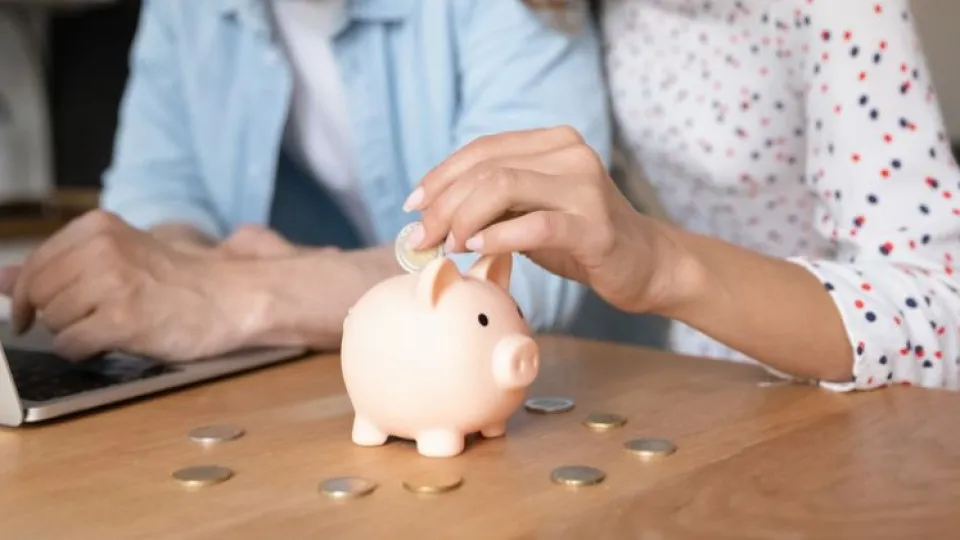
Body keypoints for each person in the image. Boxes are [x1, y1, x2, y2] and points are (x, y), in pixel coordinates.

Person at [0, 0, 610, 361]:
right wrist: (169, 279)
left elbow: (534, 256)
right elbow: (158, 189)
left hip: (550, 383)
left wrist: (239, 295)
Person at [407, 0, 960, 391]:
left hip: (851, 388)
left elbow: (941, 314)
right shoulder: (591, 12)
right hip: (701, 381)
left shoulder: (842, 10)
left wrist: (661, 264)